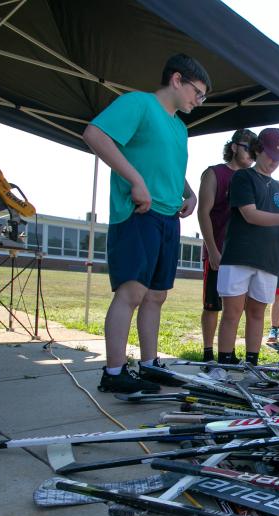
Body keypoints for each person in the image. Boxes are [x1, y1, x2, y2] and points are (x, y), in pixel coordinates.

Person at [84, 53, 209, 393]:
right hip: (139, 212)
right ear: (177, 79)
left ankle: (149, 365)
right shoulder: (138, 103)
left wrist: (190, 193)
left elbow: (170, 164)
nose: (199, 101)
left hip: (170, 217)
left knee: (156, 296)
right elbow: (94, 134)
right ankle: (113, 373)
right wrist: (136, 181)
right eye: (197, 93)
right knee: (131, 292)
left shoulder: (180, 127)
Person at [197, 130, 279, 357]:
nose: (273, 163)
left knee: (257, 313)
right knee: (232, 312)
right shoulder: (243, 177)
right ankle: (225, 361)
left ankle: (251, 362)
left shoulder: (278, 189)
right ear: (257, 150)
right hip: (239, 256)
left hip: (267, 260)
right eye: (270, 155)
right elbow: (250, 215)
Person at [196, 128, 256, 363]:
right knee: (212, 306)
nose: (252, 154)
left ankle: (227, 353)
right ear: (234, 147)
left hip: (242, 255)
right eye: (248, 148)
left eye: (256, 151)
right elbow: (203, 212)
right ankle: (208, 355)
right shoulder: (214, 173)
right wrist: (212, 250)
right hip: (218, 250)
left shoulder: (253, 179)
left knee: (236, 309)